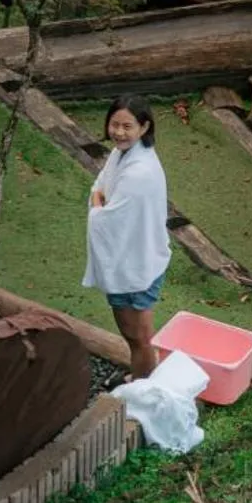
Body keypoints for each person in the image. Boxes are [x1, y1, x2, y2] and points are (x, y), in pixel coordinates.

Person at [85, 95, 170, 381]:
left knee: (140, 338)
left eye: (127, 126)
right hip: (130, 259)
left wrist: (97, 206)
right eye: (114, 124)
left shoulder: (140, 172)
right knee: (132, 335)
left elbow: (106, 214)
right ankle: (140, 377)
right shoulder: (119, 154)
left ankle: (144, 387)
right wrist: (100, 201)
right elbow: (101, 186)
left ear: (143, 128)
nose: (119, 132)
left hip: (138, 266)